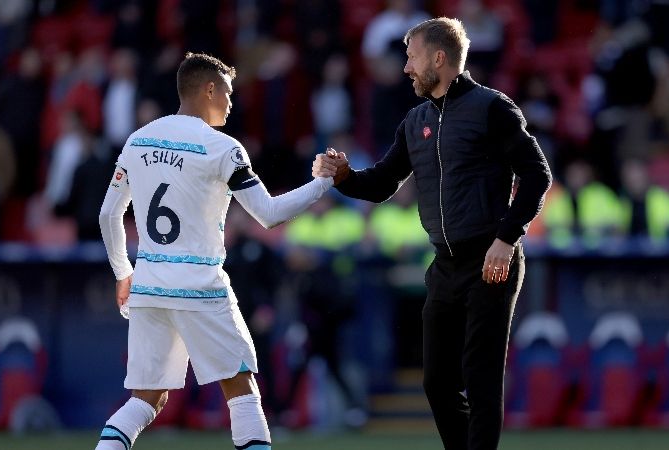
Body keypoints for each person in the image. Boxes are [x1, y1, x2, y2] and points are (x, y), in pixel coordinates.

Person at [313, 18, 552, 449]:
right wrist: (345, 177)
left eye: (411, 56)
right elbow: (384, 182)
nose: (405, 67)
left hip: (490, 260)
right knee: (437, 383)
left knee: (480, 380)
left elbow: (538, 175)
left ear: (438, 58)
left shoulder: (492, 108)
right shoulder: (415, 120)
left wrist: (507, 238)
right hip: (444, 263)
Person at [96, 52, 338, 450]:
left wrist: (124, 271)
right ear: (209, 89)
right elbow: (269, 214)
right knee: (242, 390)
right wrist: (323, 183)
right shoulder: (221, 147)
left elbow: (108, 215)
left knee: (146, 398)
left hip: (150, 285)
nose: (231, 101)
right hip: (200, 284)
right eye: (227, 91)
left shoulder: (137, 140)